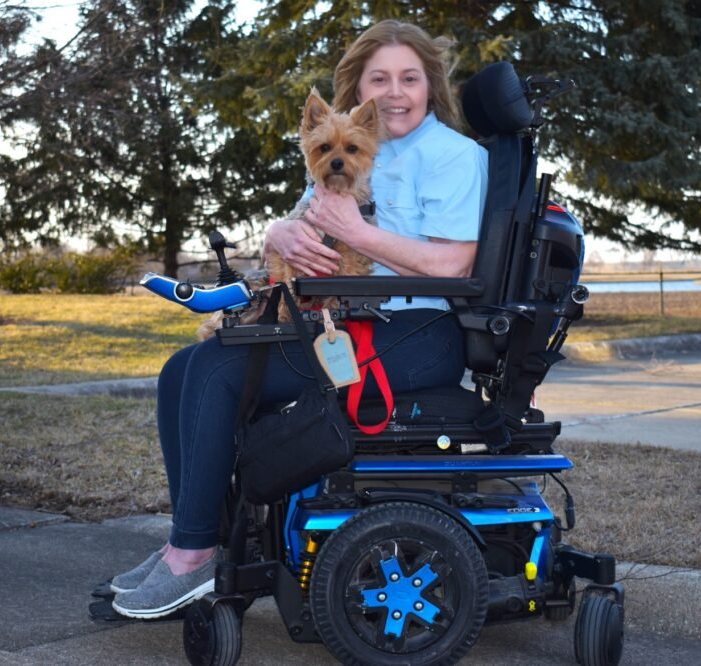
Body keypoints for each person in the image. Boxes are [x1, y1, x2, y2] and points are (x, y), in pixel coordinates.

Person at [111, 19, 489, 619]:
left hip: (420, 330)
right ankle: (187, 538)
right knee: (181, 370)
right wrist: (278, 231)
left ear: (430, 85)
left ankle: (194, 558)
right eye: (380, 78)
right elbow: (298, 224)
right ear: (358, 90)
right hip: (351, 318)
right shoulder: (349, 143)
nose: (395, 92)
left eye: (409, 78)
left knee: (216, 369)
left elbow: (454, 263)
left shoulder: (451, 156)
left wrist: (356, 233)